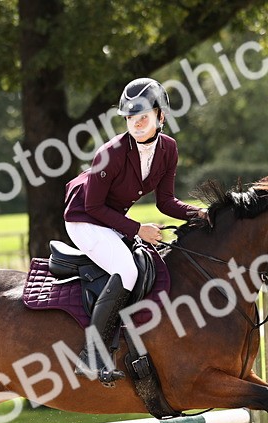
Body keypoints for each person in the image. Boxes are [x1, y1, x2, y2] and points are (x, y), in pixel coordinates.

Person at [63, 77, 207, 384]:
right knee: (127, 270)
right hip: (83, 219)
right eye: (130, 117)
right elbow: (93, 207)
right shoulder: (110, 153)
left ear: (160, 115)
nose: (137, 122)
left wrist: (200, 213)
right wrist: (138, 229)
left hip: (109, 218)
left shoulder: (168, 149)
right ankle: (91, 354)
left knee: (147, 262)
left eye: (143, 115)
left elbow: (166, 202)